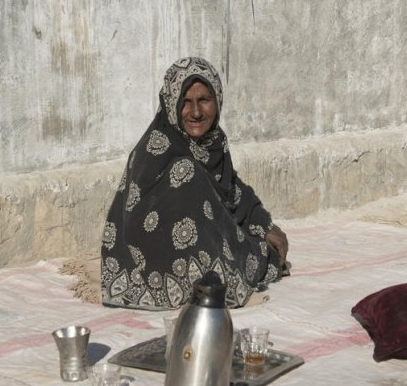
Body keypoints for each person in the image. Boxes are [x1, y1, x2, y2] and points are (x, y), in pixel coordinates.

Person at [100, 57, 289, 310]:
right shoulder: (155, 149)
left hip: (203, 241)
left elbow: (232, 189)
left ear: (217, 101)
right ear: (172, 105)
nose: (196, 112)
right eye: (186, 102)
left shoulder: (214, 143)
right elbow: (139, 220)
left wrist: (264, 224)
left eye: (204, 100)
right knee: (187, 175)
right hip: (154, 256)